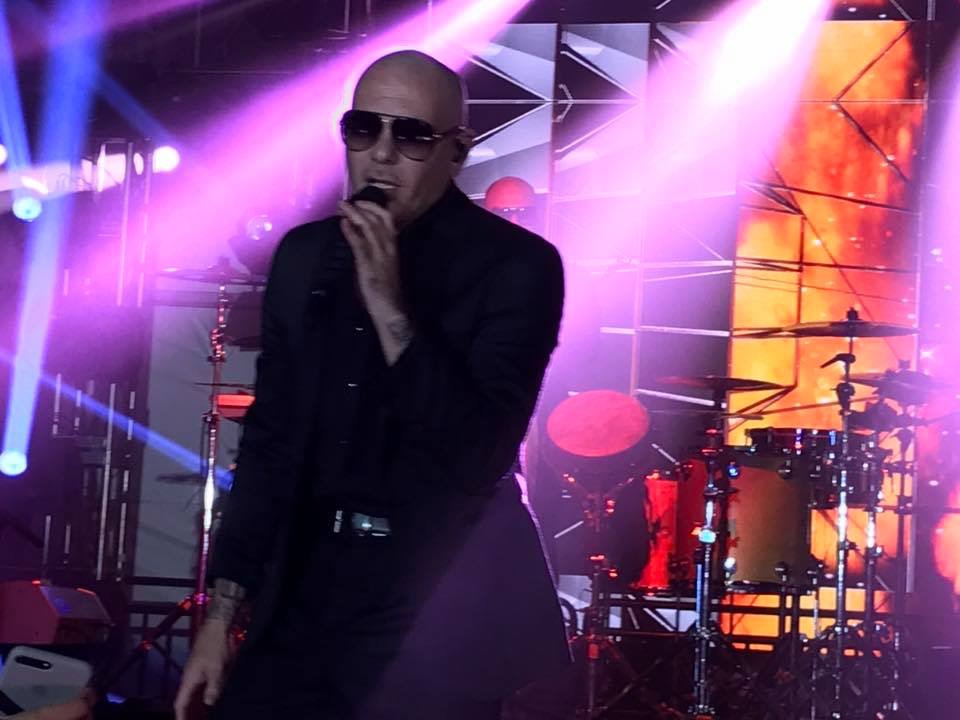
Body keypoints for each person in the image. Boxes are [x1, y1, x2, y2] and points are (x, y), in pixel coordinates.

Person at [174, 50, 570, 720]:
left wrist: (389, 305)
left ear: (456, 151)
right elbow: (270, 444)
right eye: (364, 129)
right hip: (312, 581)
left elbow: (477, 452)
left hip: (441, 602)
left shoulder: (517, 267)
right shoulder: (304, 256)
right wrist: (221, 617)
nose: (381, 154)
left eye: (410, 135)